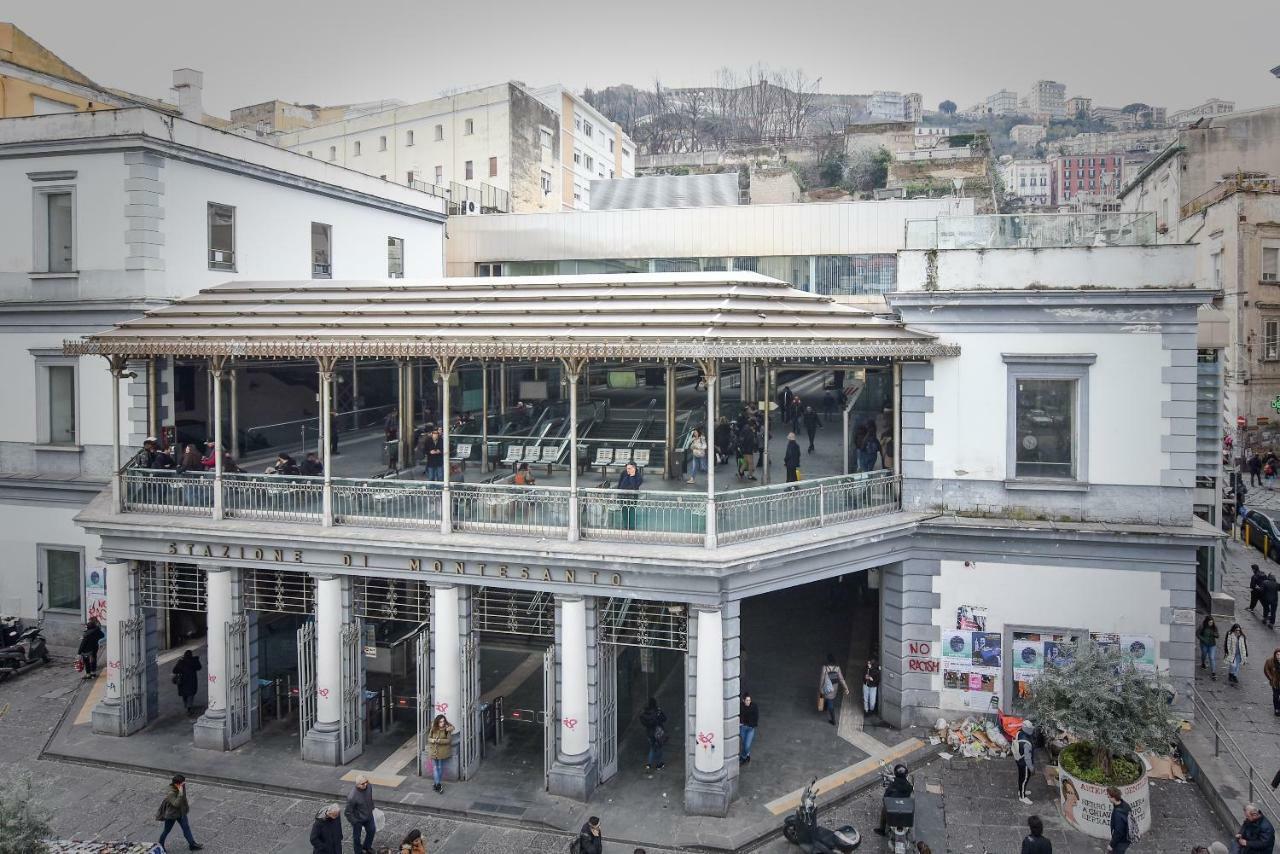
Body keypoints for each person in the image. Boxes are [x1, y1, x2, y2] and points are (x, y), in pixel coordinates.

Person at [157, 774, 203, 851]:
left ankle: (192, 844)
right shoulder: (170, 792)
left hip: (181, 812)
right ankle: (160, 845)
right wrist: (180, 793)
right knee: (166, 830)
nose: (184, 784)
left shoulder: (181, 786)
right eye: (182, 783)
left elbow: (183, 799)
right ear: (177, 784)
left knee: (186, 828)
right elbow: (176, 804)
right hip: (172, 814)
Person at [873, 764, 913, 836]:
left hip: (893, 806)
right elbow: (910, 792)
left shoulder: (892, 786)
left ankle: (881, 830)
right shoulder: (909, 786)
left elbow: (885, 797)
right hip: (904, 805)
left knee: (883, 811)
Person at [344, 773, 376, 854]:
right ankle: (358, 851)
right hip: (358, 819)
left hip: (368, 815)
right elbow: (347, 812)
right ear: (357, 785)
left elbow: (370, 797)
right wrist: (355, 821)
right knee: (357, 838)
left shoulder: (369, 786)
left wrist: (371, 807)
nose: (365, 784)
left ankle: (367, 847)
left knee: (372, 830)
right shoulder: (352, 797)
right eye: (363, 783)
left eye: (366, 782)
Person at [426, 714, 455, 792]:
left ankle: (436, 784)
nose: (442, 723)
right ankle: (438, 784)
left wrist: (440, 741)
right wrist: (433, 740)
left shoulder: (447, 729)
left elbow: (449, 740)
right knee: (435, 768)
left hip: (442, 752)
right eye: (440, 722)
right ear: (437, 722)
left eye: (443, 721)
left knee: (440, 767)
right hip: (433, 751)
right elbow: (429, 738)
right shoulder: (433, 728)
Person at [819, 653, 849, 726]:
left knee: (827, 700)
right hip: (834, 687)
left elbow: (822, 678)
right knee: (830, 698)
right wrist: (846, 688)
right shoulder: (837, 668)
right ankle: (824, 707)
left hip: (826, 685)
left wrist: (820, 687)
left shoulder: (825, 668)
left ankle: (833, 720)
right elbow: (841, 679)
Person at [640, 697, 667, 771]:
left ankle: (649, 764)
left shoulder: (645, 712)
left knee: (652, 748)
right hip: (657, 733)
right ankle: (659, 764)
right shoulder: (657, 711)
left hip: (649, 733)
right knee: (659, 748)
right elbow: (664, 719)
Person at [617, 461, 644, 530]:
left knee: (631, 511)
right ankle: (625, 527)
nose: (627, 470)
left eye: (629, 468)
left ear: (634, 469)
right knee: (624, 511)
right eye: (627, 468)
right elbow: (620, 483)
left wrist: (632, 476)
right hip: (623, 496)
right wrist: (618, 493)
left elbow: (634, 486)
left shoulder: (639, 477)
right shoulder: (624, 473)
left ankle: (631, 527)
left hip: (632, 496)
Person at [1015, 720, 1036, 805]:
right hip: (1025, 764)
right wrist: (1031, 768)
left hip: (1019, 760)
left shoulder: (1019, 733)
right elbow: (1027, 758)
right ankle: (1022, 797)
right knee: (1024, 779)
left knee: (1021, 777)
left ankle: (1021, 791)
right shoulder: (1026, 743)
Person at [1107, 786, 1132, 854]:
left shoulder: (1118, 814)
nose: (1108, 798)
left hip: (1121, 841)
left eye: (1109, 797)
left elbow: (1119, 832)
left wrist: (1111, 845)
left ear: (1113, 798)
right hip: (1126, 838)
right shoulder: (1125, 804)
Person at [1199, 616, 1221, 680]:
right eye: (1210, 622)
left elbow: (1218, 635)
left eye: (1212, 622)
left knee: (1212, 657)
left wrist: (1215, 634)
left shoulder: (1214, 627)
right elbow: (1197, 634)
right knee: (1204, 655)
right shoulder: (1202, 626)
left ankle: (1213, 673)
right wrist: (1203, 639)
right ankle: (1203, 663)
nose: (1211, 623)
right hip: (1204, 644)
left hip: (1212, 645)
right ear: (1207, 622)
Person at [739, 693, 759, 764]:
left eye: (749, 700)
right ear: (743, 700)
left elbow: (756, 717)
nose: (748, 702)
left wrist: (752, 725)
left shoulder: (754, 706)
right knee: (744, 744)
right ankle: (747, 755)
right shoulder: (741, 706)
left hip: (750, 728)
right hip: (743, 728)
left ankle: (743, 756)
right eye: (747, 700)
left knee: (747, 745)